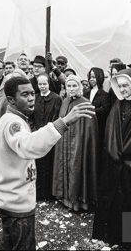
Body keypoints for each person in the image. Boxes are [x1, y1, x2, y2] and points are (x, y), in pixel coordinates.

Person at [0, 76, 95, 250]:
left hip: (6, 198)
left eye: (31, 93)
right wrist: (63, 122)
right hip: (16, 203)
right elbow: (28, 146)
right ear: (11, 100)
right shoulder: (14, 122)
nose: (31, 98)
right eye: (24, 95)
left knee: (8, 242)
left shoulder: (8, 118)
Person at [92, 67, 131, 245]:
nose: (124, 89)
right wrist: (114, 152)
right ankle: (109, 236)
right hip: (113, 162)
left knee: (129, 202)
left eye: (126, 85)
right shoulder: (118, 104)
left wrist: (122, 153)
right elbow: (110, 131)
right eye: (121, 86)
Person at [52, 75, 99, 211]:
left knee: (77, 168)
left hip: (80, 143)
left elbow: (90, 129)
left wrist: (81, 142)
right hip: (65, 141)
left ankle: (78, 202)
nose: (71, 89)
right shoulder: (65, 101)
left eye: (74, 86)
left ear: (79, 87)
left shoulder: (86, 103)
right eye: (69, 86)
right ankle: (66, 198)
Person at [33, 73, 62, 199]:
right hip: (37, 135)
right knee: (38, 163)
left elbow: (57, 117)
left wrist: (49, 131)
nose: (42, 86)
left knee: (49, 163)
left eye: (45, 84)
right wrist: (34, 130)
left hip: (50, 135)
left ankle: (49, 192)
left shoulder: (56, 98)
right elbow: (30, 116)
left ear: (49, 84)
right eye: (40, 84)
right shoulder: (35, 97)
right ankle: (39, 192)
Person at [84, 67, 111, 153]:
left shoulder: (105, 95)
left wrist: (90, 110)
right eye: (90, 77)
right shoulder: (86, 93)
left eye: (94, 77)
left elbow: (104, 109)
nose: (91, 79)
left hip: (98, 129)